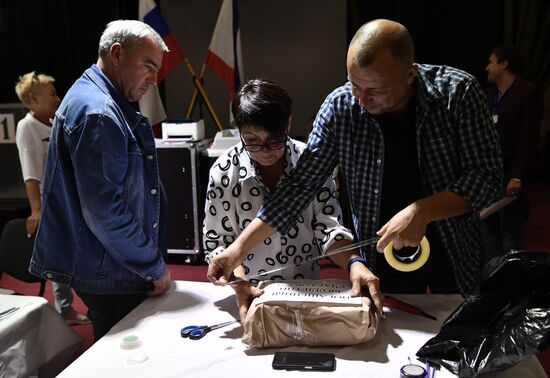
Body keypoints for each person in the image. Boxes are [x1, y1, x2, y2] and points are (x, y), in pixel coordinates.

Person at [207, 19, 502, 296]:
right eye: (354, 84)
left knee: (455, 331)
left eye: (374, 90)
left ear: (410, 74)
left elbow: (487, 177)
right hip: (377, 252)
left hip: (453, 247)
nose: (361, 99)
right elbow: (298, 189)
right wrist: (238, 249)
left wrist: (422, 211)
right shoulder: (340, 107)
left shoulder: (457, 94)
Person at [30, 20, 172, 341]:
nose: (154, 79)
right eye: (147, 66)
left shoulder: (92, 96)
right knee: (126, 360)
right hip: (114, 271)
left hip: (111, 264)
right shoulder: (99, 113)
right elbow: (104, 212)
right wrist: (153, 265)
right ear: (117, 54)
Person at [203, 79, 382, 320]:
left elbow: (329, 228)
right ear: (239, 131)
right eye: (253, 140)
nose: (266, 150)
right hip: (252, 296)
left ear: (288, 124)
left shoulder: (310, 164)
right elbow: (218, 241)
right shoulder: (223, 172)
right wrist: (241, 283)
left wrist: (354, 263)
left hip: (307, 294)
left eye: (274, 139)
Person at [15, 72, 90, 325]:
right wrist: (37, 210)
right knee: (62, 256)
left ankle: (74, 305)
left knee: (74, 252)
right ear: (33, 99)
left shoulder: (53, 122)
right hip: (52, 205)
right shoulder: (27, 127)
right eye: (52, 94)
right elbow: (31, 173)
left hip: (70, 199)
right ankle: (65, 309)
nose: (58, 98)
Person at [482, 44, 543, 259]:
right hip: (488, 175)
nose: (487, 67)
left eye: (491, 62)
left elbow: (528, 138)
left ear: (504, 64)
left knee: (509, 231)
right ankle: (491, 283)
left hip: (510, 176)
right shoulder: (488, 96)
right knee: (488, 231)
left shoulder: (527, 93)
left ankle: (514, 283)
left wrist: (517, 176)